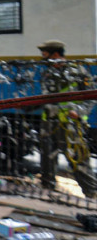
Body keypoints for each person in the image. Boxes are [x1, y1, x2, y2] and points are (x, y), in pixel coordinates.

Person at [38, 40, 96, 197]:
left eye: (45, 54)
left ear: (56, 54)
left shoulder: (78, 72)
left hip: (70, 124)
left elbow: (91, 96)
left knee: (78, 160)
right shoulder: (48, 74)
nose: (43, 58)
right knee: (47, 160)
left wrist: (79, 111)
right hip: (49, 123)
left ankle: (92, 194)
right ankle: (47, 190)